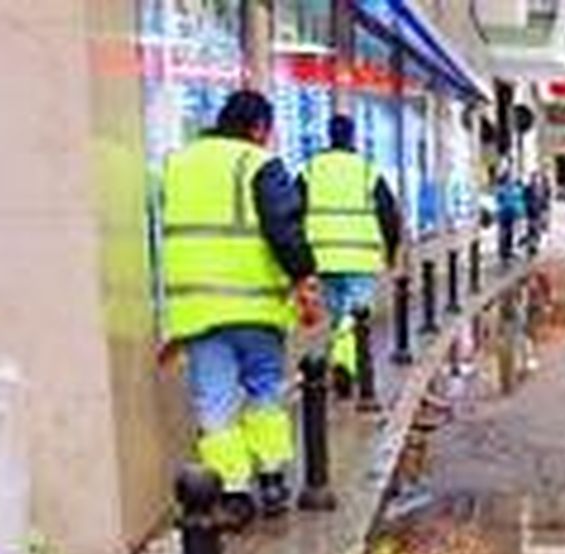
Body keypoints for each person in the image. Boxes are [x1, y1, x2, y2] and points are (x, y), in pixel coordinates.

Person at [160, 90, 320, 525]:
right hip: (255, 308)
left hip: (198, 311)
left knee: (214, 402)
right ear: (259, 128)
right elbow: (284, 228)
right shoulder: (259, 163)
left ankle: (232, 492)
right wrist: (304, 277)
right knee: (264, 390)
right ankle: (271, 480)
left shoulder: (177, 164)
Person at [300, 114, 402, 396]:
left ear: (329, 136)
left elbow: (293, 211)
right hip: (360, 258)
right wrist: (392, 250)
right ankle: (345, 363)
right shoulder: (367, 171)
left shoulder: (311, 169)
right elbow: (389, 214)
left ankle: (342, 365)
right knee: (354, 315)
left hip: (322, 258)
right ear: (352, 137)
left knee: (337, 315)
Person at [495, 167, 526, 264]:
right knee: (503, 234)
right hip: (503, 215)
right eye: (510, 177)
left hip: (512, 215)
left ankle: (508, 250)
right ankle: (503, 252)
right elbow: (498, 201)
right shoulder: (501, 189)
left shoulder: (515, 188)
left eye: (512, 177)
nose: (511, 179)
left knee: (510, 233)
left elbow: (519, 200)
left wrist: (520, 211)